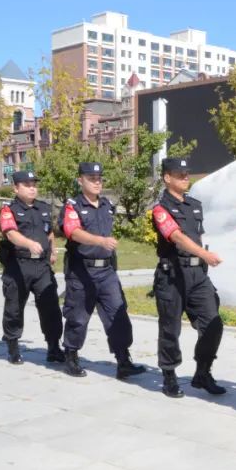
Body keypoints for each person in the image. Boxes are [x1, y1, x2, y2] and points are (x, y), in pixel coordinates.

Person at [60, 161, 147, 380]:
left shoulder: (107, 205)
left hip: (106, 271)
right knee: (78, 317)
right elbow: (73, 232)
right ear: (80, 180)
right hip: (82, 270)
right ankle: (71, 355)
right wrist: (100, 241)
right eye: (92, 179)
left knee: (117, 314)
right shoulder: (73, 206)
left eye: (99, 179)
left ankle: (123, 360)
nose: (97, 183)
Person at [150, 157, 226, 399]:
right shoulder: (160, 208)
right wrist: (204, 253)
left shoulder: (194, 205)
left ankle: (202, 372)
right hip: (172, 274)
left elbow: (197, 236)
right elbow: (176, 236)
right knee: (170, 328)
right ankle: (169, 375)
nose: (185, 177)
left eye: (186, 173)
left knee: (213, 324)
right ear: (167, 178)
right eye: (179, 174)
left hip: (197, 274)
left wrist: (203, 258)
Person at [0, 170, 63, 365]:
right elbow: (10, 233)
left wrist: (52, 251)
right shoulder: (8, 210)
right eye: (27, 184)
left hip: (41, 266)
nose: (32, 187)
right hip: (19, 264)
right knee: (14, 308)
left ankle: (53, 347)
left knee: (50, 306)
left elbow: (49, 232)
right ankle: (13, 346)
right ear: (16, 188)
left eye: (34, 184)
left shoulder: (43, 208)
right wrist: (28, 243)